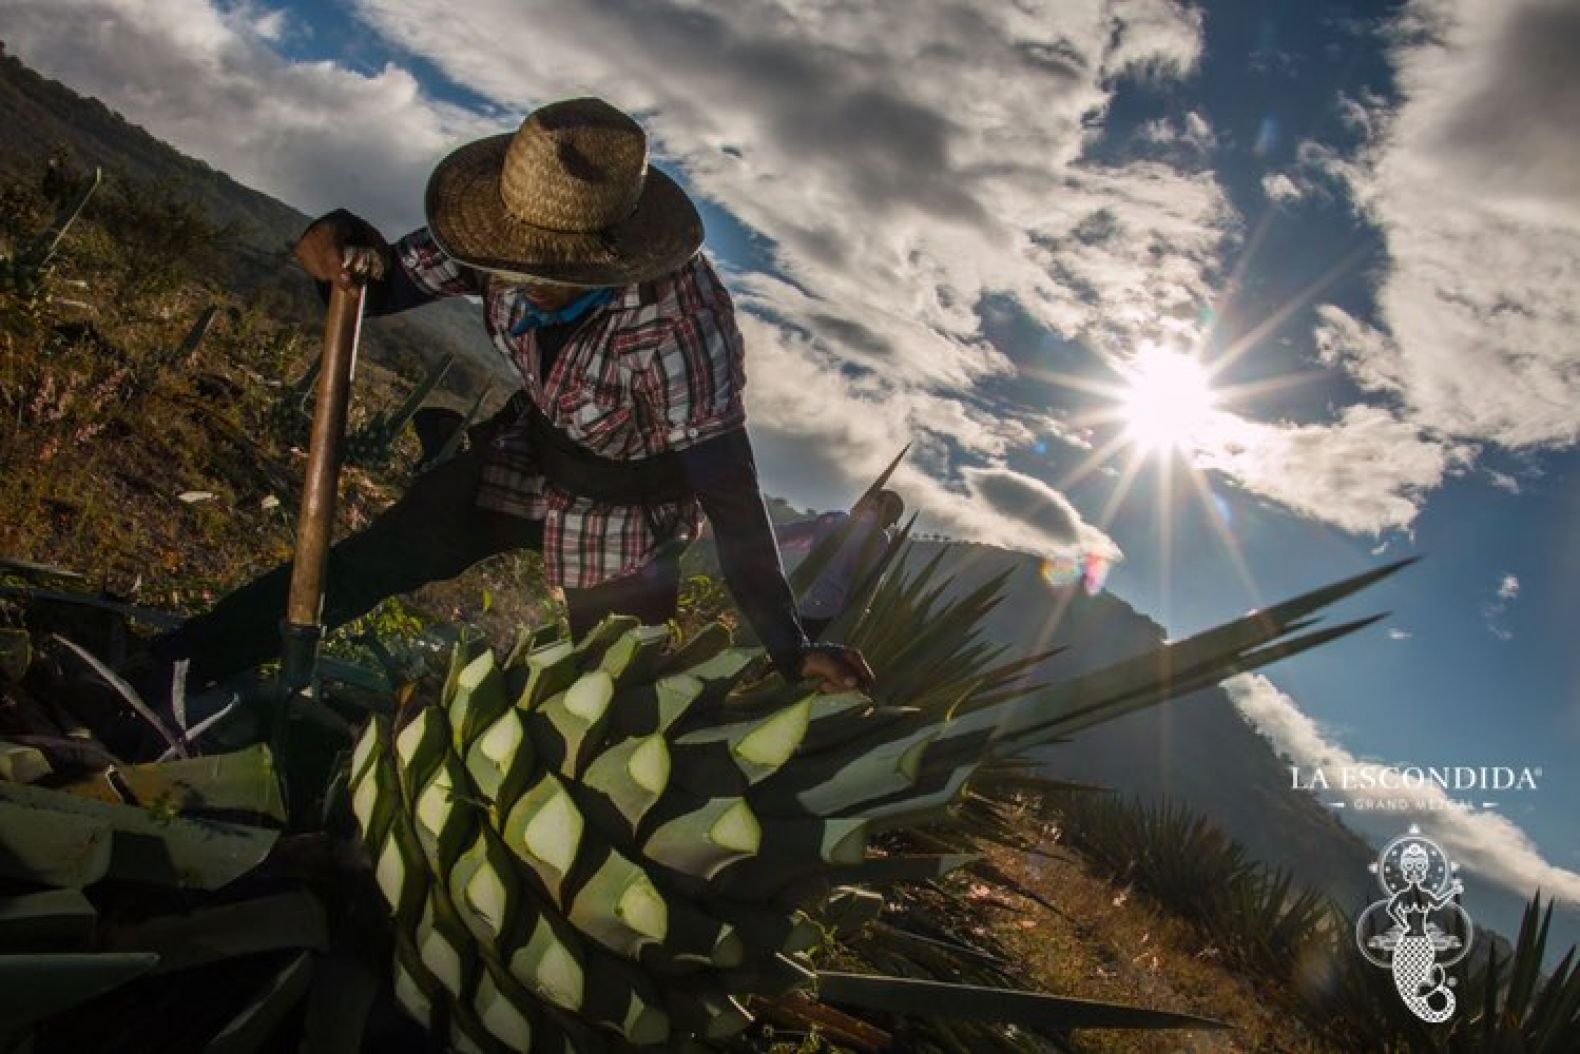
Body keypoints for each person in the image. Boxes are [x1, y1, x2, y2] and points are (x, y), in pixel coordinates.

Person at [149, 98, 872, 695]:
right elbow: (385, 284)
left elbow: (729, 489)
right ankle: (174, 668)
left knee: (612, 687)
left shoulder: (680, 324)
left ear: (616, 252)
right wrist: (337, 250)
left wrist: (787, 641)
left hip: (628, 502)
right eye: (511, 261)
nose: (521, 278)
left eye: (555, 270)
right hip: (530, 452)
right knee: (380, 555)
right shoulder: (492, 232)